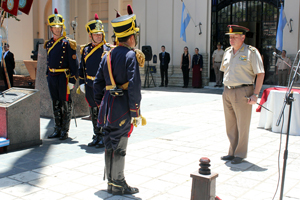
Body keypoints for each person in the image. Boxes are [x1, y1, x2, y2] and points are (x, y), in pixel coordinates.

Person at [94, 5, 145, 195]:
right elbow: (133, 86)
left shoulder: (107, 55)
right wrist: (135, 112)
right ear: (131, 36)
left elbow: (97, 83)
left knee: (109, 142)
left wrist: (101, 103)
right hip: (122, 107)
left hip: (108, 107)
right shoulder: (131, 55)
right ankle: (119, 182)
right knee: (120, 144)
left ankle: (111, 182)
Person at [220, 25, 264, 164]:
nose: (231, 39)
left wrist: (255, 94)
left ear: (243, 37)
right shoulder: (227, 52)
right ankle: (232, 151)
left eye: (234, 37)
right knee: (230, 124)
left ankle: (240, 153)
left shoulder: (251, 52)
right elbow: (224, 70)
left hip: (243, 91)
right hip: (227, 91)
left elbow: (260, 73)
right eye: (230, 37)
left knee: (242, 124)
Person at [45, 8, 78, 140]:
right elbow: (48, 61)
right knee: (55, 103)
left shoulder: (67, 44)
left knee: (65, 104)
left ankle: (65, 130)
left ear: (61, 28)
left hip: (63, 77)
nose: (57, 30)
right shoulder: (49, 44)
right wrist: (48, 75)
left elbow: (74, 64)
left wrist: (72, 80)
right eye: (54, 27)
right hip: (52, 76)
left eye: (59, 27)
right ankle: (57, 129)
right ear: (51, 29)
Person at [78, 13, 110, 148]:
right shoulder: (85, 50)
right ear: (90, 35)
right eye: (96, 34)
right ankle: (96, 134)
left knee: (102, 111)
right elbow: (82, 67)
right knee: (93, 111)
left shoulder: (106, 49)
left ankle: (103, 136)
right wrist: (81, 83)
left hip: (101, 86)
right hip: (89, 85)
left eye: (100, 34)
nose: (99, 36)